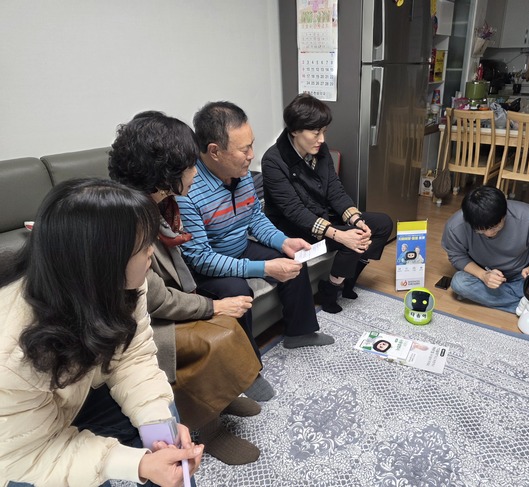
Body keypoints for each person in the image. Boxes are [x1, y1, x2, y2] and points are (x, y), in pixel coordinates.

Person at [0, 178, 203, 486]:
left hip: (74, 393)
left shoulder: (122, 285)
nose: (151, 252)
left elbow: (133, 355)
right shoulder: (12, 350)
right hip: (18, 446)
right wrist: (136, 465)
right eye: (142, 247)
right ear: (102, 262)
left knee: (165, 429)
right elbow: (26, 456)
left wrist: (159, 429)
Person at [108, 111, 263, 465]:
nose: (196, 173)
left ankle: (223, 397)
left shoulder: (157, 206)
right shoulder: (126, 220)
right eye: (191, 166)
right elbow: (154, 299)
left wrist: (207, 303)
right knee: (213, 337)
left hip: (162, 303)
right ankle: (210, 427)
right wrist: (212, 306)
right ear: (166, 174)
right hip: (133, 323)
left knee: (227, 316)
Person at [177, 101, 335, 381]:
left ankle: (299, 332)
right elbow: (200, 259)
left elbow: (255, 219)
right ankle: (248, 373)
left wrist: (283, 242)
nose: (252, 155)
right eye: (244, 149)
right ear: (214, 151)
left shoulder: (242, 176)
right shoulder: (188, 189)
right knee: (238, 291)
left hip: (239, 247)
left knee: (292, 261)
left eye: (252, 145)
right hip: (207, 265)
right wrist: (263, 268)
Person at [261, 93, 393, 313]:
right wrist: (339, 234)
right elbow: (295, 212)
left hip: (322, 217)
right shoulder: (273, 161)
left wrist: (356, 219)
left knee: (382, 224)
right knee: (351, 239)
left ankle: (346, 280)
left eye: (324, 132)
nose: (321, 139)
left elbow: (335, 190)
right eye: (316, 133)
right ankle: (330, 290)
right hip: (296, 231)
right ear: (294, 130)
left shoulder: (319, 151)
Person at [441, 185, 529, 314]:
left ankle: (497, 298)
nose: (489, 233)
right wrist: (483, 275)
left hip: (522, 273)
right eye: (480, 230)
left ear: (504, 215)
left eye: (495, 227)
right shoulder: (455, 226)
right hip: (484, 275)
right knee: (459, 283)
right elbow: (457, 256)